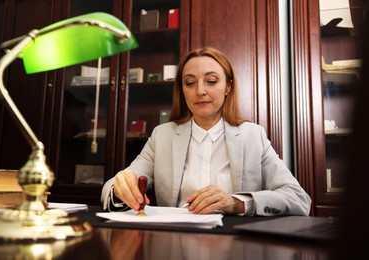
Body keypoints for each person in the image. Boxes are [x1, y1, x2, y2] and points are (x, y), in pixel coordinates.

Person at [101, 47, 311, 216]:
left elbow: (298, 199)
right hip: (173, 244)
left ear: (228, 87)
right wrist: (121, 189)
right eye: (190, 83)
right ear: (182, 90)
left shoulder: (252, 135)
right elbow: (112, 188)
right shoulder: (162, 136)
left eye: (211, 81)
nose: (200, 90)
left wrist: (236, 203)